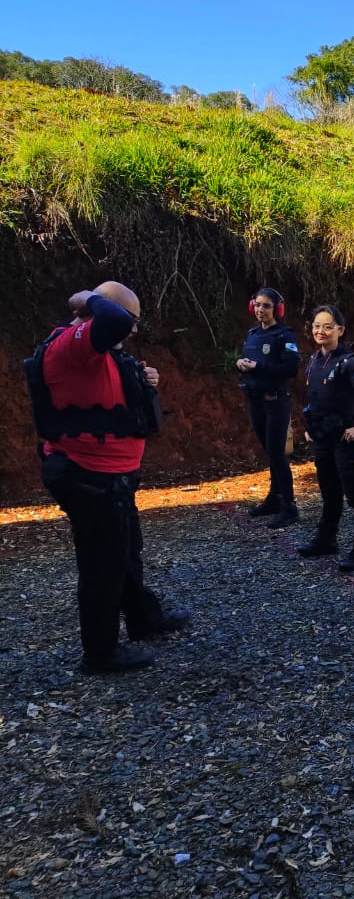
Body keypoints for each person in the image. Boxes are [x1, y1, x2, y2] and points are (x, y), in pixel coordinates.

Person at [25, 281, 190, 674]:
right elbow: (112, 320)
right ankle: (100, 653)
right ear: (97, 313)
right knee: (103, 565)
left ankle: (143, 617)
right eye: (129, 319)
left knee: (126, 550)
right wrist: (84, 299)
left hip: (112, 478)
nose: (132, 329)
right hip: (90, 477)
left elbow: (112, 386)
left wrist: (144, 379)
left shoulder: (98, 350)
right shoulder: (71, 342)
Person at [297, 305, 354, 572]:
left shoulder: (349, 362)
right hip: (322, 439)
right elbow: (314, 398)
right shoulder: (313, 360)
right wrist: (310, 427)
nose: (320, 331)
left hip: (345, 441)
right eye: (316, 326)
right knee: (329, 492)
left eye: (327, 326)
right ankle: (327, 539)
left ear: (340, 330)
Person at [235, 287, 301, 528]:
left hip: (276, 400)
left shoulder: (285, 336)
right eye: (258, 305)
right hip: (256, 399)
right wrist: (240, 364)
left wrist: (258, 367)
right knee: (270, 452)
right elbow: (251, 364)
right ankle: (275, 498)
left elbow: (291, 370)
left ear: (277, 310)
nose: (261, 310)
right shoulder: (252, 334)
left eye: (267, 306)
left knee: (277, 453)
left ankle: (289, 506)